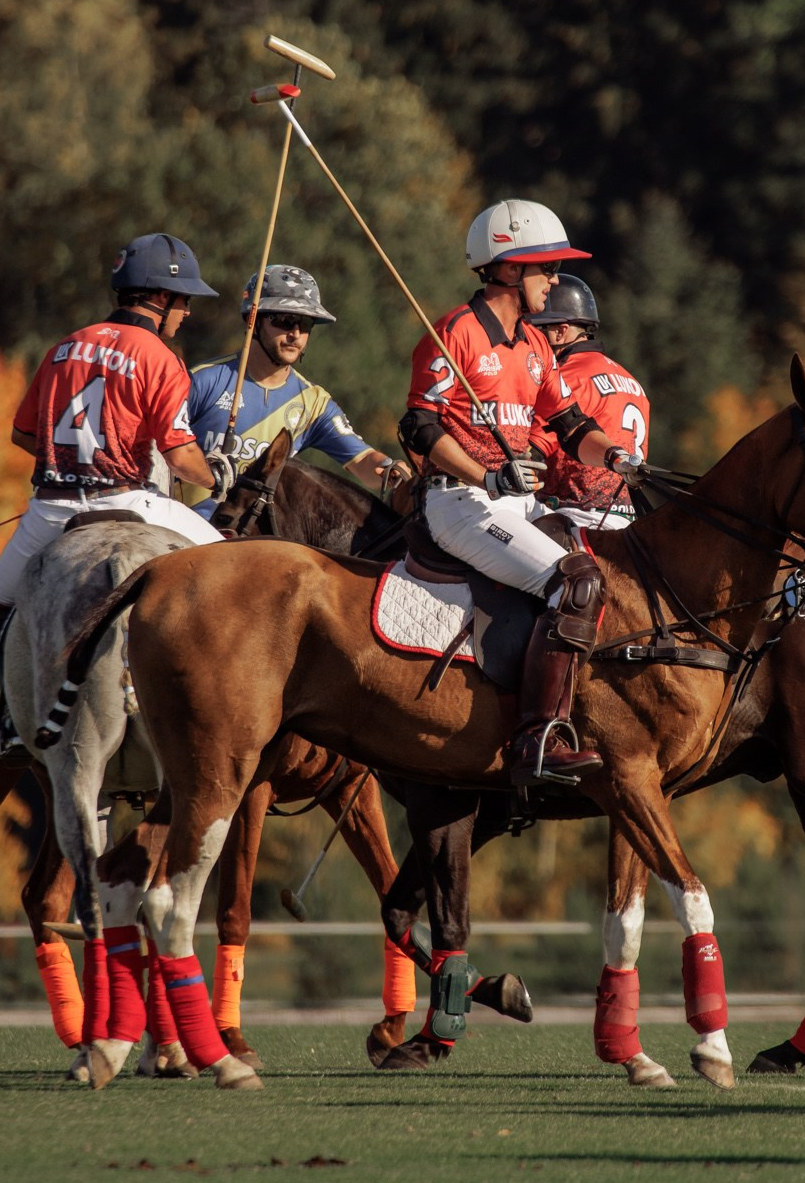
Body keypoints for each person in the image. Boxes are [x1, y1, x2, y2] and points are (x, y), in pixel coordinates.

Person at [399, 201, 645, 787]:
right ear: (508, 269)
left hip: (518, 503)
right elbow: (418, 426)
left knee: (610, 573)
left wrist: (612, 455)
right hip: (458, 503)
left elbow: (569, 424)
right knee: (574, 581)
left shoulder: (534, 347)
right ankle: (538, 735)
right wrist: (485, 477)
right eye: (548, 268)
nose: (555, 281)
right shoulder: (454, 333)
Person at [0, 233, 229, 756]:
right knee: (233, 570)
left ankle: (10, 716)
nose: (187, 313)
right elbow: (181, 456)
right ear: (161, 298)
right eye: (185, 302)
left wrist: (67, 456)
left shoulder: (63, 347)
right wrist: (218, 476)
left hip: (52, 510)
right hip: (130, 501)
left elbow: (23, 434)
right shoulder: (160, 358)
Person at [183, 264, 412, 518]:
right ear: (253, 321)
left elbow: (363, 461)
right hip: (189, 530)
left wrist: (388, 468)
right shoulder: (202, 380)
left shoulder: (313, 403)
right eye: (284, 321)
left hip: (255, 540)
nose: (295, 334)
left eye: (305, 324)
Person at [527, 274, 649, 531]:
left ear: (561, 331)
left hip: (573, 517)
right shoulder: (632, 381)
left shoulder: (567, 377)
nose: (528, 341)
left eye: (536, 331)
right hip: (628, 521)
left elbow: (527, 451)